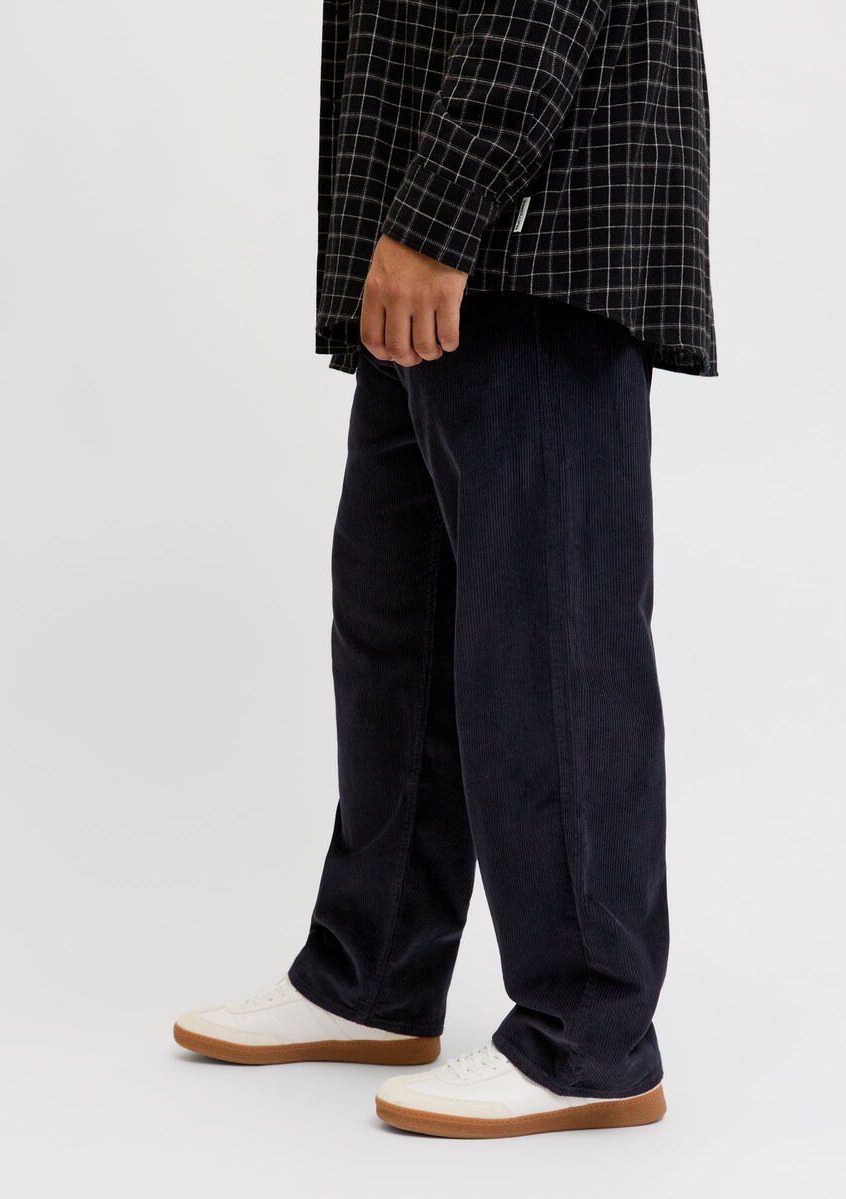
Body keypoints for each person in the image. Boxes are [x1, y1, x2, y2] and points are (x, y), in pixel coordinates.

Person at [174, 0, 716, 1140]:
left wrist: (441, 214)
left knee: (550, 644)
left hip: (532, 227)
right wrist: (401, 225)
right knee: (394, 626)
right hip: (425, 227)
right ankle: (370, 974)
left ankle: (590, 1037)